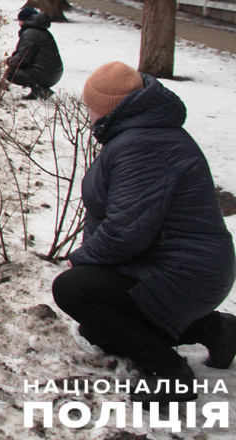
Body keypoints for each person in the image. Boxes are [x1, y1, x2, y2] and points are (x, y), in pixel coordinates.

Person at [52, 61, 236, 404]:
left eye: (90, 104)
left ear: (106, 108)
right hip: (172, 263)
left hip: (186, 272)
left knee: (72, 291)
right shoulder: (138, 133)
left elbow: (125, 232)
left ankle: (169, 373)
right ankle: (215, 330)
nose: (87, 110)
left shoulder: (141, 146)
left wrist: (82, 261)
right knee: (98, 328)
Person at [5, 6, 63, 99]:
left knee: (10, 73)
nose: (18, 23)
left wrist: (10, 61)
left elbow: (23, 58)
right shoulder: (38, 31)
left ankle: (40, 90)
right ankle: (37, 90)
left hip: (46, 74)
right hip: (53, 72)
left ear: (25, 20)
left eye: (19, 20)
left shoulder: (30, 33)